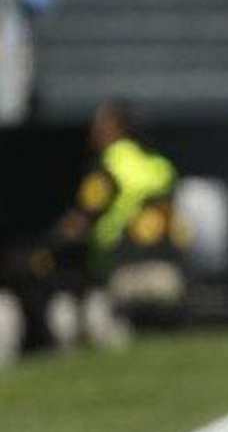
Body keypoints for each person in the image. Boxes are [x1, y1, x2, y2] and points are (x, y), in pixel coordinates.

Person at [2, 101, 179, 354]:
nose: (93, 131)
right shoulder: (159, 166)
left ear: (116, 128)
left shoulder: (108, 166)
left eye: (99, 125)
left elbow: (82, 219)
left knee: (73, 314)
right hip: (167, 271)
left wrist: (43, 249)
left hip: (124, 272)